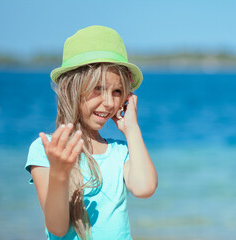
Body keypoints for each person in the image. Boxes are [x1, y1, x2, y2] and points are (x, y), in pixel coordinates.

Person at [25, 25, 158, 240]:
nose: (108, 102)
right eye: (98, 88)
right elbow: (57, 228)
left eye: (117, 92)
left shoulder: (119, 151)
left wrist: (131, 128)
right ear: (72, 89)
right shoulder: (46, 149)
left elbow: (145, 188)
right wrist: (60, 172)